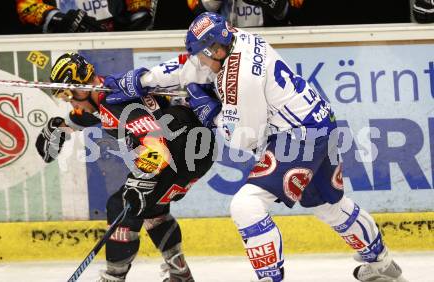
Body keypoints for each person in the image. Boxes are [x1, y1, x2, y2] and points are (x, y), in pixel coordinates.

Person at [102, 12, 409, 282]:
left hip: (299, 135)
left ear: (217, 50)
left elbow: (242, 138)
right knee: (329, 206)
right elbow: (190, 67)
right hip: (319, 124)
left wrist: (211, 110)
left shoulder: (241, 77)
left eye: (204, 55)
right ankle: (383, 264)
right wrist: (143, 79)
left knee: (246, 205)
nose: (202, 62)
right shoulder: (232, 37)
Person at [35, 52, 214, 281]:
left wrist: (140, 180)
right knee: (151, 210)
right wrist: (59, 126)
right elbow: (90, 116)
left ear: (84, 85)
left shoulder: (112, 103)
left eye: (70, 94)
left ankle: (114, 277)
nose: (71, 102)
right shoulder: (107, 93)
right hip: (195, 148)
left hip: (182, 148)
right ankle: (180, 274)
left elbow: (156, 144)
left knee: (122, 204)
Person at [16, 0, 155, 33]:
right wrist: (52, 17)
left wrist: (139, 8)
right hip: (64, 39)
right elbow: (27, 6)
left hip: (116, 37)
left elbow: (140, 9)